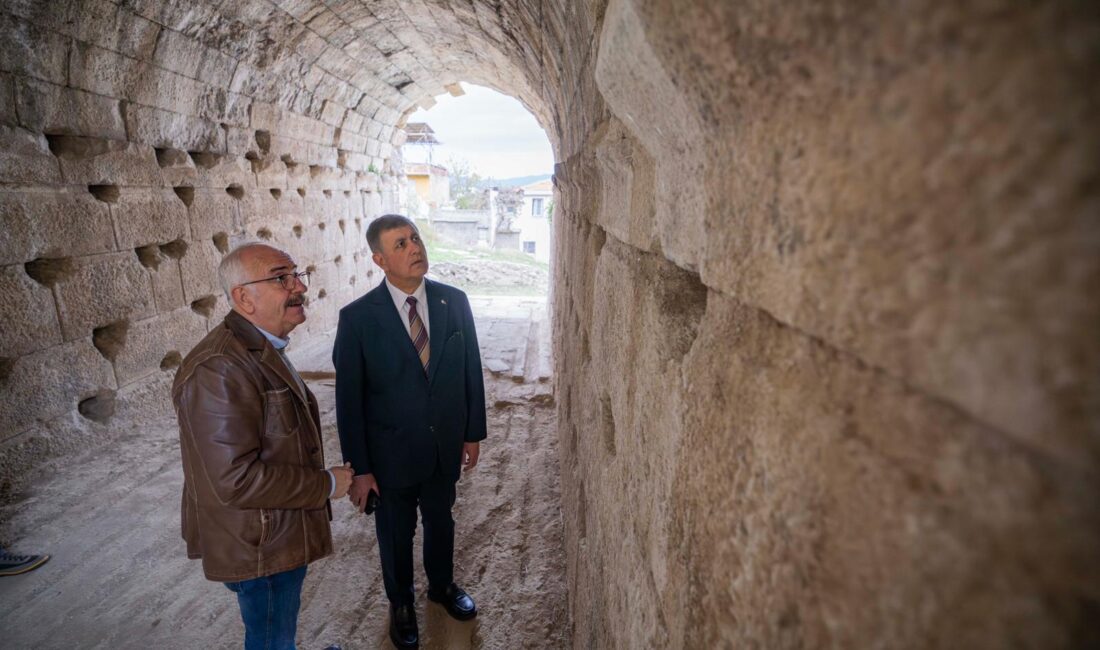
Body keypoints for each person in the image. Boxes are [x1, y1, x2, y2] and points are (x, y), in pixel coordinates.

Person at [173, 242, 353, 650]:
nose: (298, 287)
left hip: (272, 531)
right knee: (270, 637)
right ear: (243, 298)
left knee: (275, 629)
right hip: (258, 543)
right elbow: (234, 479)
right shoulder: (220, 366)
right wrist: (325, 485)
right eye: (280, 278)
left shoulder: (259, 345)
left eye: (296, 275)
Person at [333, 214, 487, 649]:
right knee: (395, 531)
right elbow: (349, 402)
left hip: (443, 447)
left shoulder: (453, 302)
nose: (414, 248)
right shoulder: (358, 319)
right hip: (390, 455)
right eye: (400, 244)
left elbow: (469, 370)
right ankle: (400, 602)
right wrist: (361, 469)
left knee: (442, 520)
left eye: (415, 238)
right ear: (380, 259)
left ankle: (441, 587)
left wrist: (472, 432)